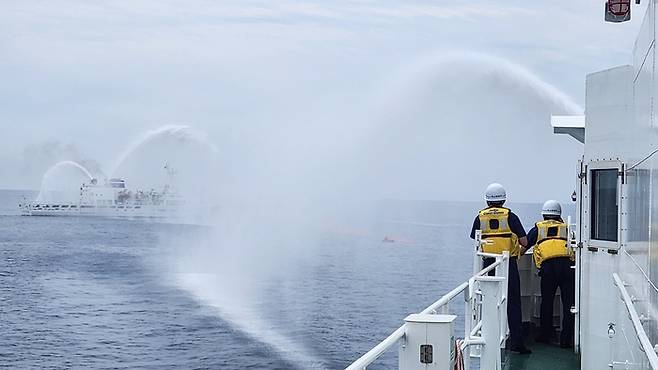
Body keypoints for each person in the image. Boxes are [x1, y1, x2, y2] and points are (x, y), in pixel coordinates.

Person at [470, 183, 531, 354]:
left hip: (488, 264)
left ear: (487, 200)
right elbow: (525, 242)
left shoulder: (480, 217)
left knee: (489, 302)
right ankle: (517, 344)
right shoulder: (511, 216)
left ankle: (489, 339)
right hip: (508, 264)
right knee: (512, 302)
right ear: (503, 199)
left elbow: (474, 238)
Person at [527, 200, 575, 348]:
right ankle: (566, 339)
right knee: (568, 304)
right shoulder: (567, 228)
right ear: (559, 214)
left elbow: (525, 244)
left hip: (548, 268)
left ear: (544, 214)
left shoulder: (538, 228)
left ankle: (544, 336)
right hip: (567, 266)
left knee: (546, 302)